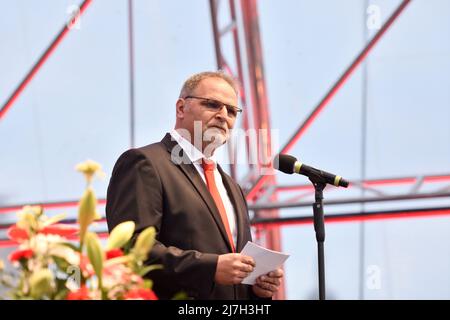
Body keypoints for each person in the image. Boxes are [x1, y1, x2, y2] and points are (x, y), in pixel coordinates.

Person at [106, 71, 283, 299]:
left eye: (231, 111)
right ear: (181, 108)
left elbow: (232, 269)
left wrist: (256, 287)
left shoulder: (232, 187)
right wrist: (210, 268)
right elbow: (131, 247)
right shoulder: (145, 163)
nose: (223, 116)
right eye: (212, 105)